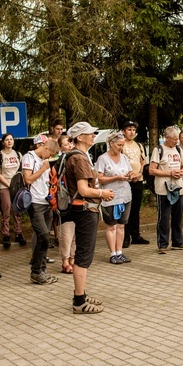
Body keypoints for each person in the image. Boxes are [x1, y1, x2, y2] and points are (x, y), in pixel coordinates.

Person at [66, 122, 115, 313]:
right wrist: (103, 194)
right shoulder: (79, 159)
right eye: (90, 133)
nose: (94, 135)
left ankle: (82, 294)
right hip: (85, 210)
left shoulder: (78, 156)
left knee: (83, 255)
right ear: (80, 137)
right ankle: (79, 302)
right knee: (83, 256)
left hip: (83, 209)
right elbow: (83, 189)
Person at [22, 135, 60, 284]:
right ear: (45, 148)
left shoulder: (45, 160)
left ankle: (42, 270)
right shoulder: (29, 157)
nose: (49, 158)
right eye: (49, 154)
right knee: (43, 235)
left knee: (45, 237)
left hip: (46, 202)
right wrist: (44, 168)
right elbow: (28, 179)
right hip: (34, 202)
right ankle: (36, 271)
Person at [97, 132, 137, 264]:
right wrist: (116, 178)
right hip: (110, 195)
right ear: (111, 144)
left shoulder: (124, 157)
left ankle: (120, 252)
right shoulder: (103, 159)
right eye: (119, 145)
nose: (121, 148)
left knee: (121, 226)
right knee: (111, 226)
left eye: (123, 145)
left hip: (125, 194)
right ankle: (112, 253)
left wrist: (131, 175)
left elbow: (129, 171)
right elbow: (99, 178)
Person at [150, 126, 183, 254]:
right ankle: (162, 244)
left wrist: (181, 172)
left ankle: (178, 242)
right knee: (164, 216)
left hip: (178, 187)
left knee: (178, 216)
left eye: (177, 139)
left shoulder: (178, 149)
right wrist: (169, 173)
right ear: (166, 138)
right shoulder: (159, 149)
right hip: (164, 189)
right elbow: (152, 170)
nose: (176, 141)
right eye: (174, 139)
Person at [0, 133, 27, 248]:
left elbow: (22, 170)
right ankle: (5, 234)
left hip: (17, 185)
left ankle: (18, 233)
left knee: (18, 210)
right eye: (7, 140)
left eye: (11, 139)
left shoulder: (18, 154)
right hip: (4, 185)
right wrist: (8, 185)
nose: (9, 141)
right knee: (6, 210)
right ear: (3, 142)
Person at [121, 120, 149, 247]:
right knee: (126, 209)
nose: (131, 132)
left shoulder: (139, 145)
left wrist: (139, 173)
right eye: (129, 129)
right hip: (126, 181)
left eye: (133, 130)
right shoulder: (121, 145)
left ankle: (136, 235)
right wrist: (129, 175)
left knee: (136, 209)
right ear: (123, 131)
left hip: (137, 180)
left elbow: (143, 162)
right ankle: (125, 237)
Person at [56, 135, 76, 274]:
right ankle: (65, 260)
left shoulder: (78, 156)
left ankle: (73, 258)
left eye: (70, 143)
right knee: (67, 231)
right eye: (66, 144)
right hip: (65, 198)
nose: (69, 146)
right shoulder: (61, 159)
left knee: (76, 231)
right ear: (60, 147)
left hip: (77, 198)